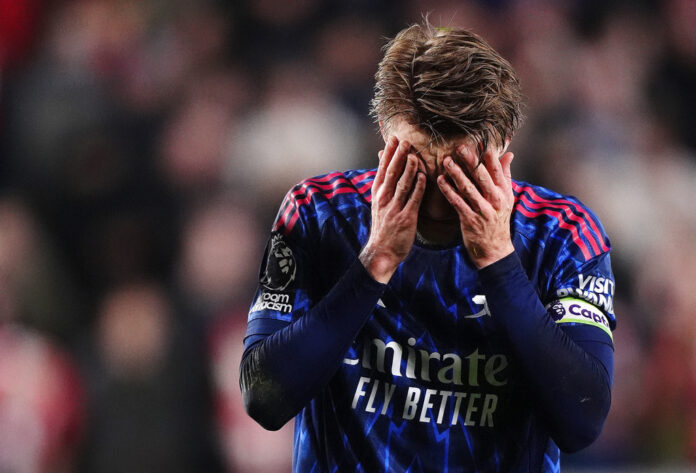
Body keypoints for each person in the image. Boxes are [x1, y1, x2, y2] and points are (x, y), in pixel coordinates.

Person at [240, 21, 615, 472]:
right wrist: (374, 262)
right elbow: (263, 398)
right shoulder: (319, 214)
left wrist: (500, 263)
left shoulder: (561, 233)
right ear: (384, 130)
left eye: (460, 170)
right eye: (415, 165)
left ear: (504, 140)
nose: (437, 200)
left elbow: (581, 422)